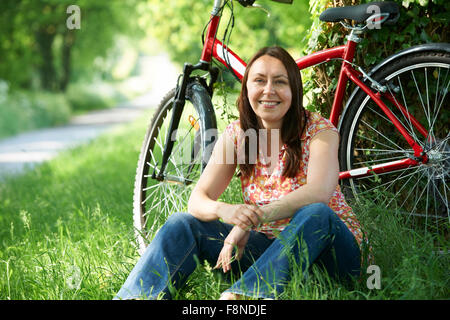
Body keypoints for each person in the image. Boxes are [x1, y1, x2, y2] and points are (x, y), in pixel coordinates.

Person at [114, 46, 363, 300]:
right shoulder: (238, 134)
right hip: (270, 254)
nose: (269, 90)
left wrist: (252, 219)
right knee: (182, 224)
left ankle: (243, 296)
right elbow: (198, 199)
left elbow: (319, 192)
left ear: (294, 90)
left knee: (316, 213)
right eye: (259, 81)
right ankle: (138, 297)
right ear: (246, 89)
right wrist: (229, 212)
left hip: (331, 256)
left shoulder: (319, 131)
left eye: (280, 82)